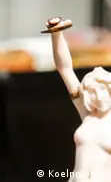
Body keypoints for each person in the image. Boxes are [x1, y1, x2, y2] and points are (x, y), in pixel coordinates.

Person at [44, 16, 111, 180]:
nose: (96, 96)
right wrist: (56, 34)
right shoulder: (88, 113)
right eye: (91, 91)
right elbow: (65, 69)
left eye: (101, 89)